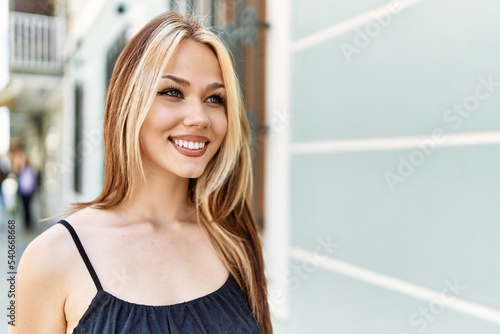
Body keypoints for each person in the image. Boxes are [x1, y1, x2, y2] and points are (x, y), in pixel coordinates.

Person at [12, 11, 272, 334]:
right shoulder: (52, 258)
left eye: (215, 98)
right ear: (128, 103)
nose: (199, 117)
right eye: (173, 92)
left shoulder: (234, 239)